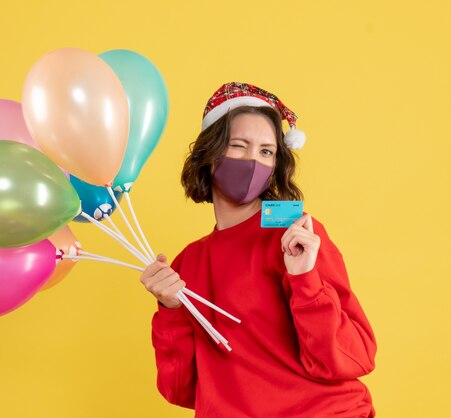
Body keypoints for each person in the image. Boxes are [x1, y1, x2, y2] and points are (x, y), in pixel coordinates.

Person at [140, 82, 377, 418]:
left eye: (266, 151)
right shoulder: (188, 263)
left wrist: (305, 280)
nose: (253, 160)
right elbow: (182, 390)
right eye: (239, 146)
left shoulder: (297, 238)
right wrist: (170, 309)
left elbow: (354, 356)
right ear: (210, 155)